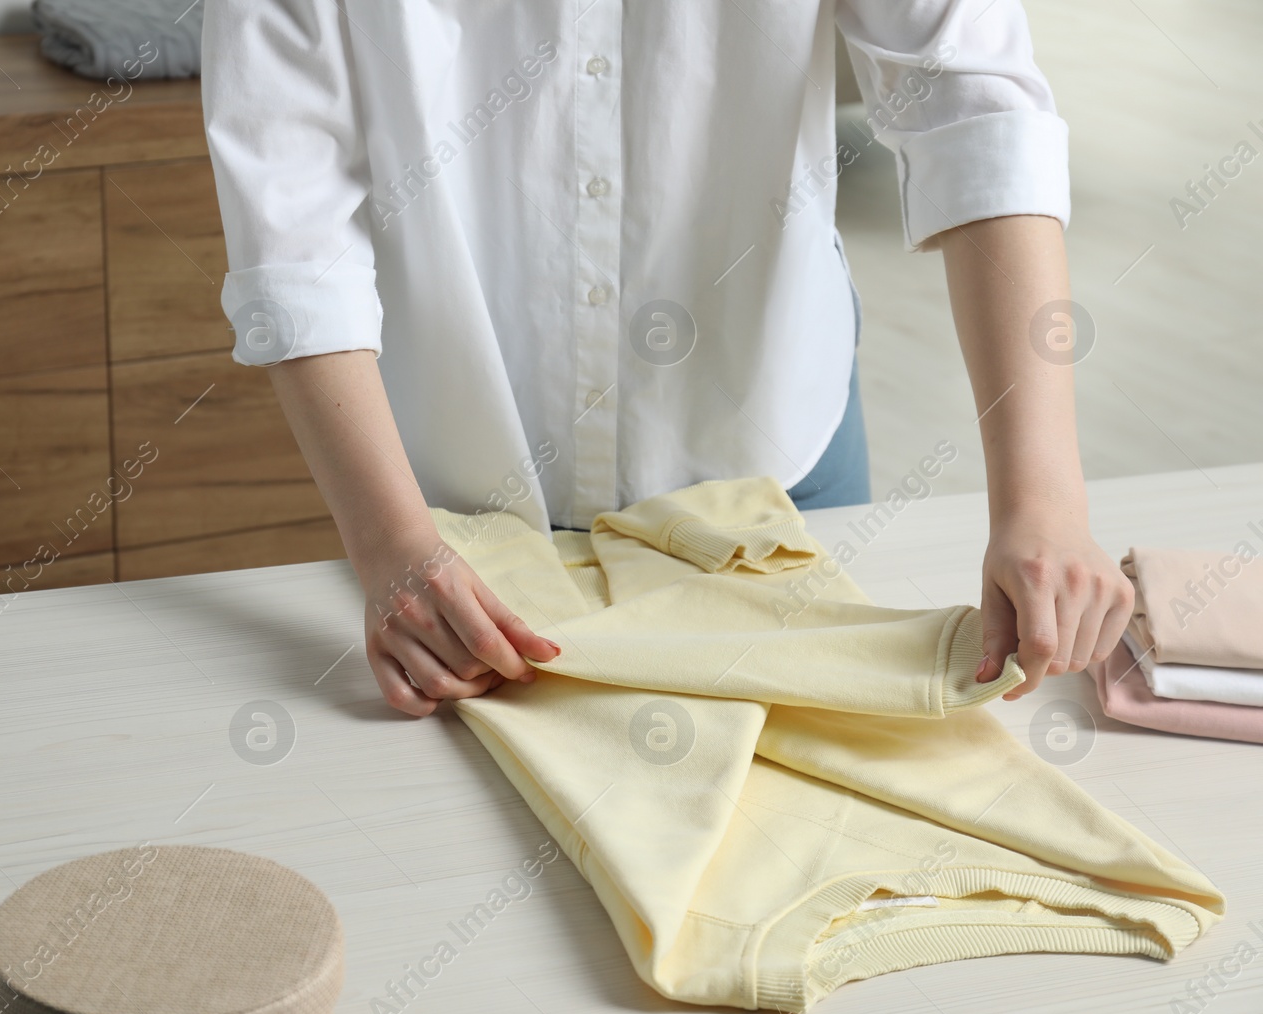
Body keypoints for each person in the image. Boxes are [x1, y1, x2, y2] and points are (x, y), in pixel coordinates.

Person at [200, 1, 1135, 716]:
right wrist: (391, 542)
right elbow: (293, 210)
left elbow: (973, 106)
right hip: (444, 506)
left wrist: (1043, 502)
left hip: (772, 448)